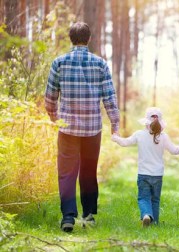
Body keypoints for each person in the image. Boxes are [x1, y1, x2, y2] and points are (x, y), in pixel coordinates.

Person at [44, 22, 120, 232]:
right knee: (88, 171)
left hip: (67, 128)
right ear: (88, 39)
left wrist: (55, 117)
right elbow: (109, 97)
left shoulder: (59, 63)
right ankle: (88, 216)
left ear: (71, 38)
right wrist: (115, 122)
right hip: (92, 129)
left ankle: (68, 217)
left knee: (66, 173)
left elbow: (50, 98)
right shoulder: (100, 64)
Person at [111, 107, 179, 227]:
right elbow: (174, 150)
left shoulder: (139, 135)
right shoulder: (163, 137)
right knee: (155, 200)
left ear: (146, 122)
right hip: (157, 175)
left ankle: (146, 215)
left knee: (143, 198)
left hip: (143, 174)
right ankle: (155, 222)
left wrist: (115, 137)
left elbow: (125, 142)